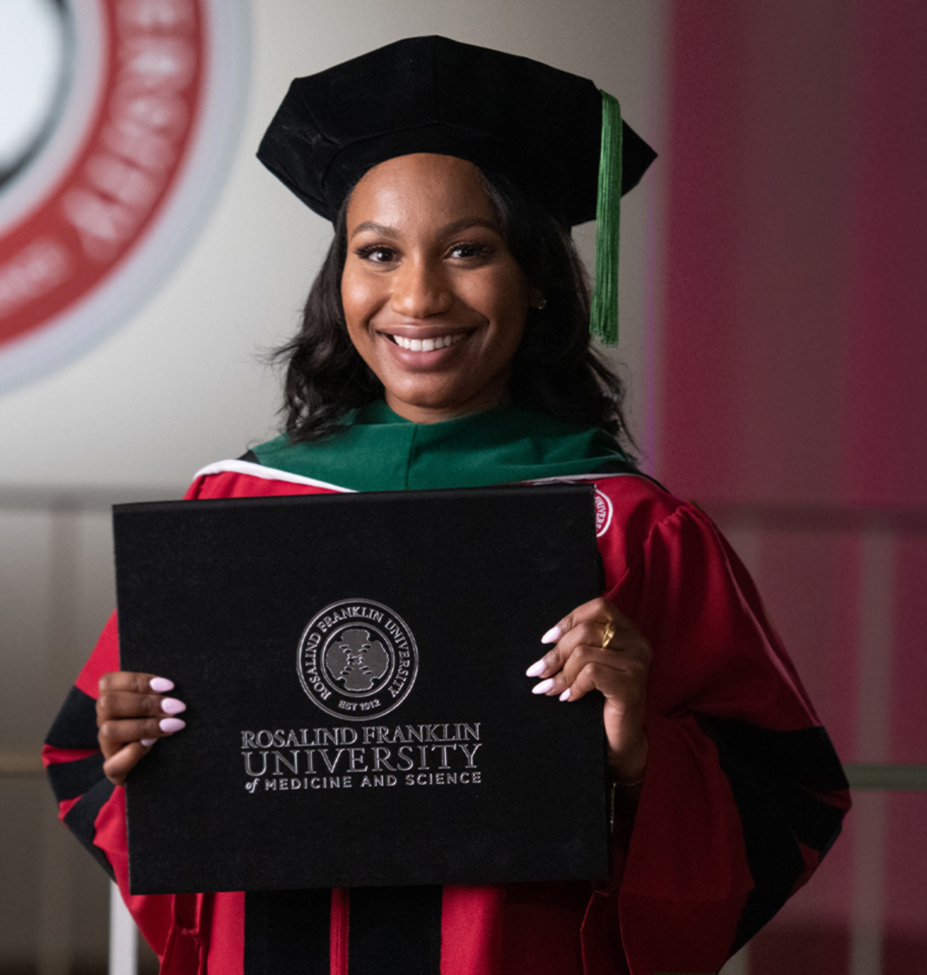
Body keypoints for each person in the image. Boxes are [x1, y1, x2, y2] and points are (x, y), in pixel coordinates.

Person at [42, 36, 848, 975]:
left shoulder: (632, 527)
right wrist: (133, 746)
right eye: (376, 253)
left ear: (539, 279)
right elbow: (85, 763)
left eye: (469, 250)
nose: (417, 295)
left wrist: (641, 753)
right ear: (338, 281)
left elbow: (788, 799)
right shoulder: (240, 507)